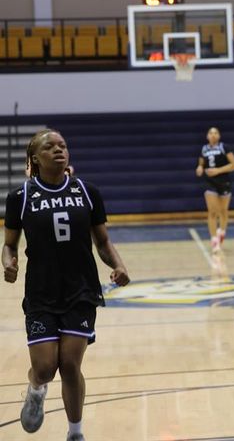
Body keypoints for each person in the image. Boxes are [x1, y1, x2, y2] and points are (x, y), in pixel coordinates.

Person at [2, 129, 130, 441]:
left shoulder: (87, 192)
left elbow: (102, 241)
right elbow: (10, 245)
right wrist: (8, 261)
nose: (59, 150)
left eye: (63, 145)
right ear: (36, 157)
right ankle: (36, 388)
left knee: (70, 364)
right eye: (50, 146)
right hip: (41, 292)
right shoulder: (20, 198)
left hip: (81, 290)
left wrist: (118, 264)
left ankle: (75, 433)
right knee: (46, 367)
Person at [195, 127, 234, 253]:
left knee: (223, 211)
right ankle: (214, 241)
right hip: (210, 183)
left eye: (215, 133)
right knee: (212, 211)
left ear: (219, 136)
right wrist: (199, 168)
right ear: (207, 136)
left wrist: (218, 171)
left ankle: (222, 231)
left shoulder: (224, 147)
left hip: (224, 182)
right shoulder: (204, 149)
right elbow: (201, 163)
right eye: (210, 133)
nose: (213, 135)